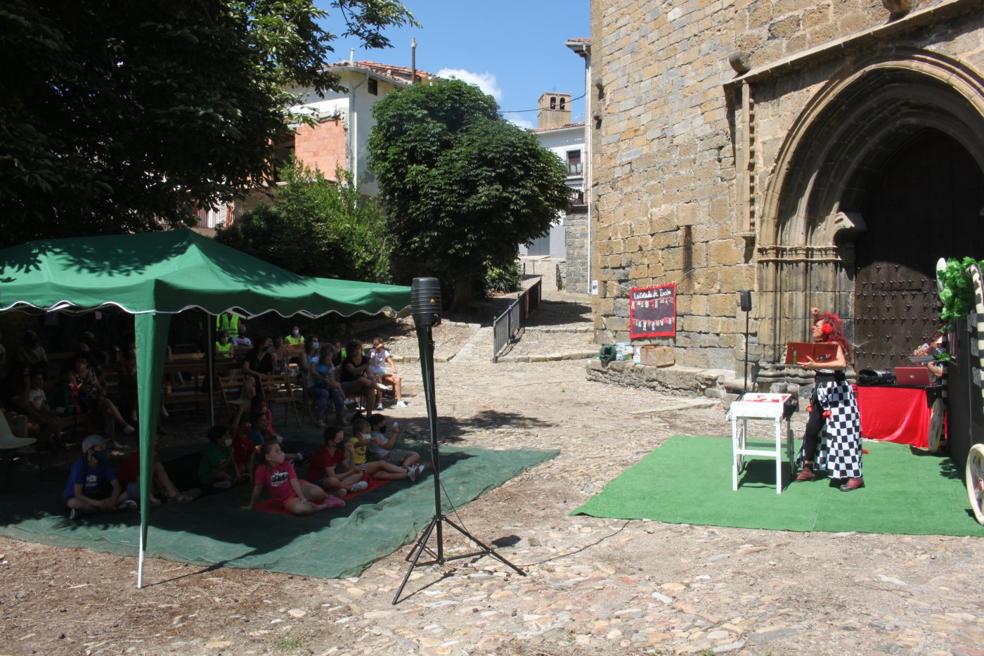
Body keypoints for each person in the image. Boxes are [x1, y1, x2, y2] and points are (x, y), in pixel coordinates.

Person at [795, 308, 864, 492]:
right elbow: (819, 326)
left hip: (838, 394)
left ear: (826, 329)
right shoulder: (821, 344)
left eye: (816, 325)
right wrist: (815, 316)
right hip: (821, 392)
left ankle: (855, 476)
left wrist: (814, 365)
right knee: (811, 429)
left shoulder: (835, 344)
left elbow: (841, 364)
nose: (812, 328)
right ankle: (808, 467)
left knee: (843, 435)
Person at [243, 442, 343, 515]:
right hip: (286, 499)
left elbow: (294, 481)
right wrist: (252, 504)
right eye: (277, 451)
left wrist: (302, 497)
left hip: (299, 487)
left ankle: (329, 497)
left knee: (318, 494)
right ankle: (325, 505)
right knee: (302, 510)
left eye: (280, 450)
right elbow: (257, 488)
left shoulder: (286, 464)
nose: (281, 453)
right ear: (268, 457)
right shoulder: (262, 470)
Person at [64, 435, 136, 519]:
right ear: (90, 451)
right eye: (101, 448)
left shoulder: (104, 464)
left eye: (104, 447)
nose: (104, 450)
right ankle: (117, 507)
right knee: (73, 503)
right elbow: (78, 494)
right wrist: (97, 503)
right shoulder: (79, 466)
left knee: (127, 493)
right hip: (80, 497)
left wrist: (112, 500)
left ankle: (86, 511)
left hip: (98, 494)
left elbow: (116, 486)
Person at [306, 426, 370, 496]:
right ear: (330, 442)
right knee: (333, 481)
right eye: (339, 439)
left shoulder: (337, 451)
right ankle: (350, 487)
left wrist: (352, 453)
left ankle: (332, 492)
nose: (342, 442)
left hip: (332, 480)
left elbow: (349, 468)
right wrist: (352, 471)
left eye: (342, 439)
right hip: (317, 482)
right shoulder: (324, 454)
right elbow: (333, 477)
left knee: (358, 474)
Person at [351, 417, 420, 481]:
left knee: (379, 474)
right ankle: (407, 471)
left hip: (363, 465)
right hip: (357, 467)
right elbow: (359, 444)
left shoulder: (371, 438)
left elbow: (385, 446)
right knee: (381, 465)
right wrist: (371, 440)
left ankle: (408, 475)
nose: (369, 435)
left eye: (369, 432)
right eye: (367, 433)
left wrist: (379, 443)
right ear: (359, 434)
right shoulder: (353, 440)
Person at [199, 425, 242, 490]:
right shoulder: (212, 452)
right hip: (209, 475)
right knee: (221, 474)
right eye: (226, 436)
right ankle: (230, 481)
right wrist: (230, 455)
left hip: (223, 471)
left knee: (240, 467)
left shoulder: (226, 448)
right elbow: (220, 468)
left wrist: (237, 472)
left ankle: (230, 481)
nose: (229, 437)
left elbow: (233, 462)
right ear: (218, 439)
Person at [339, 340, 378, 412]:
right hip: (347, 384)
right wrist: (366, 365)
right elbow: (354, 371)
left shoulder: (364, 359)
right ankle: (377, 387)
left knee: (370, 390)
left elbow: (369, 374)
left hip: (360, 384)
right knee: (361, 379)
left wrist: (372, 379)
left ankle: (369, 416)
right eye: (353, 349)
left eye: (357, 348)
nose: (356, 351)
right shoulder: (347, 360)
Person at [369, 337, 407, 409]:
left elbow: (390, 361)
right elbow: (370, 362)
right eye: (378, 344)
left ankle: (399, 401)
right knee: (378, 378)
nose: (381, 345)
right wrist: (376, 351)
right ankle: (379, 403)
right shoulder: (372, 351)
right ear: (375, 345)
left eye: (381, 343)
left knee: (397, 379)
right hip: (374, 374)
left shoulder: (385, 352)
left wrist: (393, 369)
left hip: (383, 373)